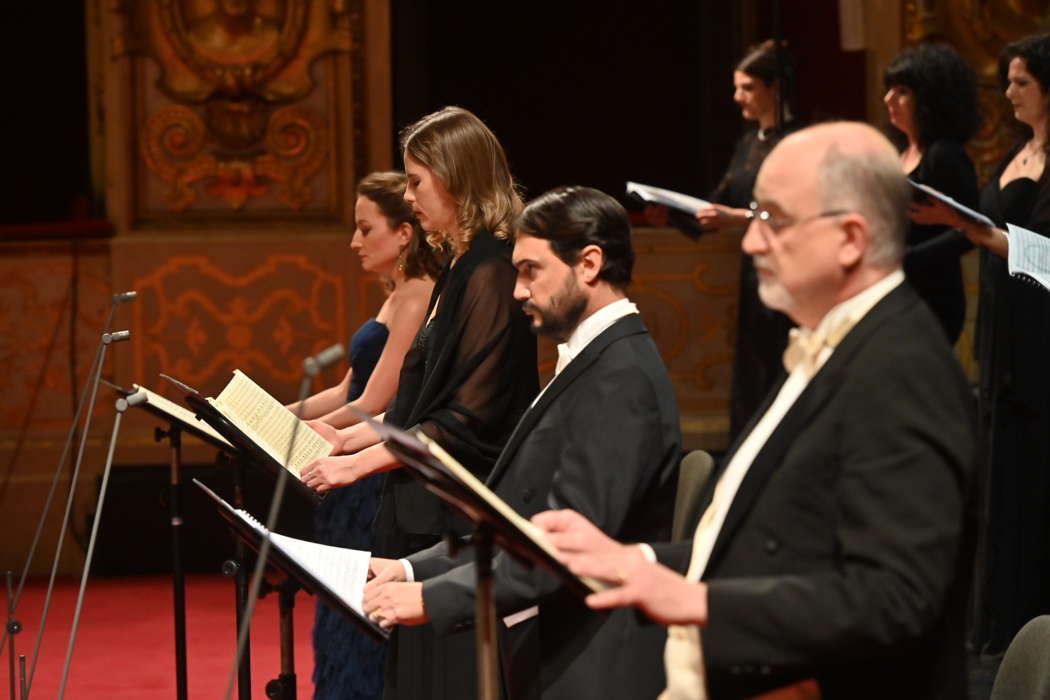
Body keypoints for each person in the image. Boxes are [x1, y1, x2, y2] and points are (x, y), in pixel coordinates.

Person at [535, 122, 977, 700]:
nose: (749, 242)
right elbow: (772, 544)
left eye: (772, 219)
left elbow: (895, 598)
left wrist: (697, 602)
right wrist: (633, 560)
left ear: (850, 237)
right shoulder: (833, 344)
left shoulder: (902, 367)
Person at [360, 186, 681, 700]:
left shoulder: (621, 378)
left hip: (590, 668)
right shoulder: (596, 359)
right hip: (556, 649)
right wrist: (408, 567)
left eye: (531, 270)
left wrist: (433, 597)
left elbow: (569, 551)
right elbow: (518, 522)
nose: (517, 291)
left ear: (589, 265)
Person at [299, 106, 539, 699]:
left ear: (456, 176)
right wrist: (350, 435)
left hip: (459, 516)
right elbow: (418, 402)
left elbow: (466, 420)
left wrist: (355, 463)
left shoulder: (488, 269)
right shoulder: (461, 264)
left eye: (416, 182)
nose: (409, 198)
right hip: (424, 506)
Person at [911, 33, 1050, 654]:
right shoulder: (1019, 152)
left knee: (1037, 464)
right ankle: (1004, 618)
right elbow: (991, 231)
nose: (1010, 93)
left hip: (1044, 333)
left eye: (1021, 82)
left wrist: (973, 228)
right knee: (1003, 461)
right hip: (1004, 328)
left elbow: (1047, 258)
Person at [287, 171, 445, 700]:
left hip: (370, 478)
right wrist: (261, 416)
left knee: (356, 617)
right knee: (337, 615)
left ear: (404, 233)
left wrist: (292, 431)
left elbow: (373, 406)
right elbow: (345, 391)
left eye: (364, 228)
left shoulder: (419, 294)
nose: (354, 242)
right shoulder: (397, 292)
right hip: (353, 464)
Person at [701, 40, 804, 442]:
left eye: (747, 87)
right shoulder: (748, 143)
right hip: (752, 276)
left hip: (789, 270)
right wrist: (675, 213)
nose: (736, 97)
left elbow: (792, 211)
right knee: (751, 372)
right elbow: (723, 199)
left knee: (778, 367)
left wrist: (737, 218)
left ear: (774, 88)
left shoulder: (797, 141)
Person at [883, 42, 981, 344]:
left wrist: (906, 258)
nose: (888, 99)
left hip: (931, 297)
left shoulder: (944, 155)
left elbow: (971, 232)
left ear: (929, 99)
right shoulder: (899, 151)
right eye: (889, 89)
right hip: (898, 290)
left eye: (902, 92)